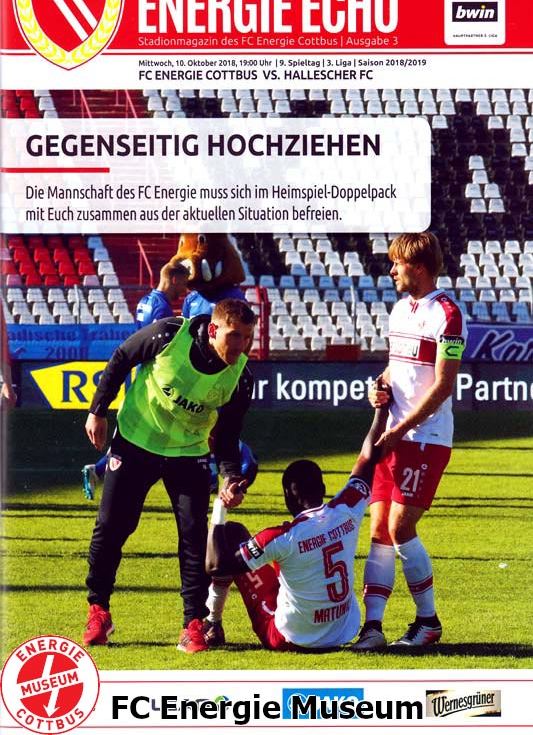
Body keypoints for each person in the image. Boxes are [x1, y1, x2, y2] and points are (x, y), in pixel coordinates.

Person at [82, 298, 256, 653]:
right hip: (136, 442)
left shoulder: (241, 377)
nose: (241, 346)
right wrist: (97, 411)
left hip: (188, 453)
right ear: (213, 330)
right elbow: (122, 357)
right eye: (234, 336)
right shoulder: (169, 334)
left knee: (193, 538)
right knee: (111, 527)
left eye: (248, 338)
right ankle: (98, 610)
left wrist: (229, 477)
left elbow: (227, 436)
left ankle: (192, 624)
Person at [352, 232, 467, 651]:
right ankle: (373, 627)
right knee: (379, 529)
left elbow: (443, 386)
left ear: (418, 267)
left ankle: (428, 622)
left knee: (401, 526)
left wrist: (400, 429)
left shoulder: (448, 314)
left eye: (397, 263)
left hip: (425, 437)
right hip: (393, 434)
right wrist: (379, 386)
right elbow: (394, 367)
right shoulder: (400, 309)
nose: (392, 271)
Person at [205, 401, 390, 651]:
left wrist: (220, 506)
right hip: (342, 631)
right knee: (278, 564)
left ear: (287, 496)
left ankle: (212, 622)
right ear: (323, 489)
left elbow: (215, 565)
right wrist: (381, 409)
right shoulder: (347, 508)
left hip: (289, 637)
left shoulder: (281, 537)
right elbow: (368, 457)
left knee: (231, 534)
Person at [82, 262, 190, 499]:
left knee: (133, 435)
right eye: (183, 283)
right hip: (150, 380)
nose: (185, 290)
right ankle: (99, 470)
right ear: (173, 279)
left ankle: (98, 470)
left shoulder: (145, 301)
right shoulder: (162, 308)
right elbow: (161, 348)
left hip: (141, 373)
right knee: (132, 438)